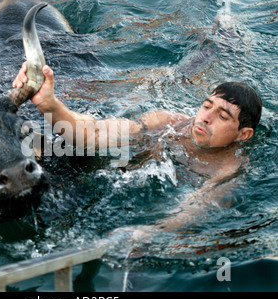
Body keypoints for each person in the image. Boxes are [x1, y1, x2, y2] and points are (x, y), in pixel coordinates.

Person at [13, 62, 262, 242]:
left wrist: (150, 232)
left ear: (243, 134)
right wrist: (50, 105)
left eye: (221, 116)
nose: (205, 118)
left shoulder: (230, 169)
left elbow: (195, 209)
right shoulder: (167, 122)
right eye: (206, 106)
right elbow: (95, 134)